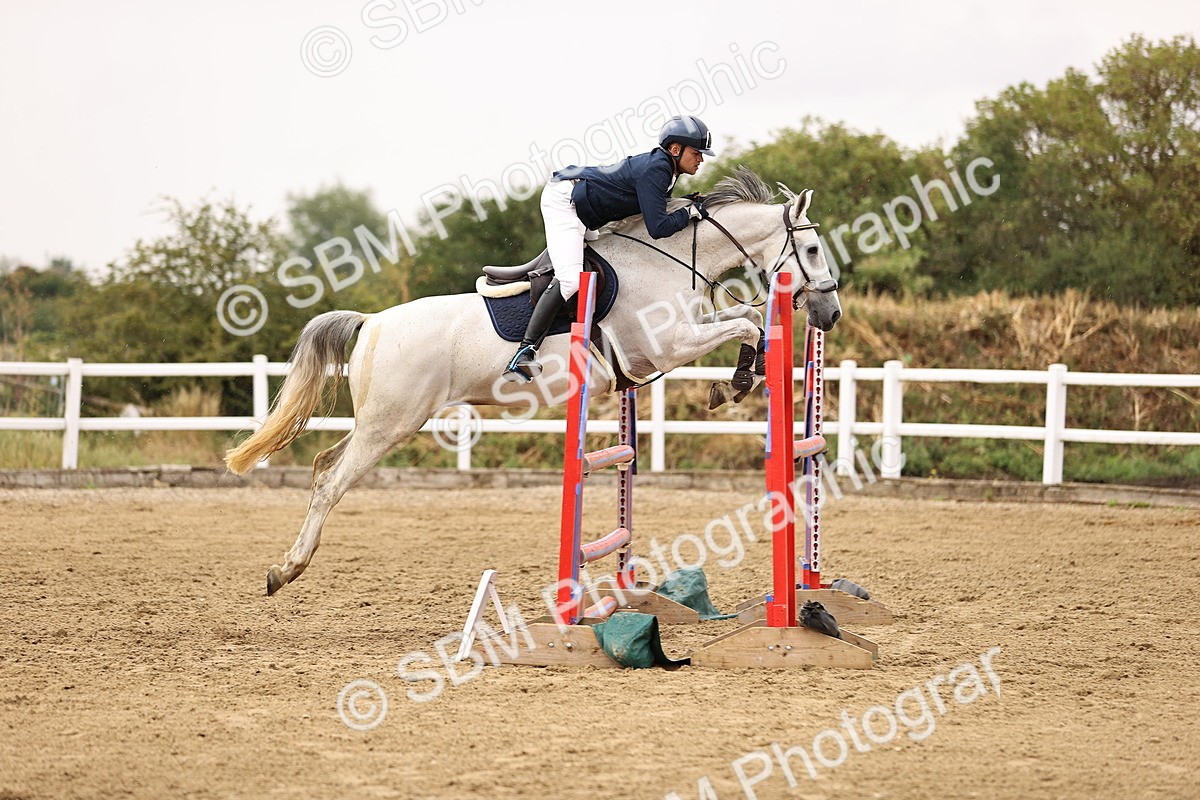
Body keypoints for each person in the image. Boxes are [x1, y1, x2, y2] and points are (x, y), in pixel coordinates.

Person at [501, 115, 715, 383]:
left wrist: (686, 203)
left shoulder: (667, 170)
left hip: (586, 209)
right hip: (566, 201)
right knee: (570, 280)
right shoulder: (657, 169)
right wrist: (689, 213)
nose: (701, 159)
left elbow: (655, 209)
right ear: (675, 149)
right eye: (696, 152)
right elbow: (658, 227)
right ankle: (524, 352)